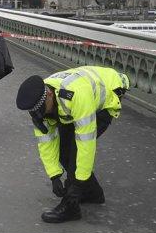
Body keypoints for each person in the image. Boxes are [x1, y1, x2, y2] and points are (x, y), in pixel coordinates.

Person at [16, 67, 129, 223]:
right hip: (76, 100)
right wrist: (54, 175)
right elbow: (46, 141)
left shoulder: (75, 95)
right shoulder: (40, 100)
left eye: (42, 109)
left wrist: (75, 186)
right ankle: (93, 194)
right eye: (35, 111)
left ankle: (71, 207)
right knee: (64, 151)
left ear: (49, 94)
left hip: (108, 95)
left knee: (75, 152)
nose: (40, 114)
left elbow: (86, 145)